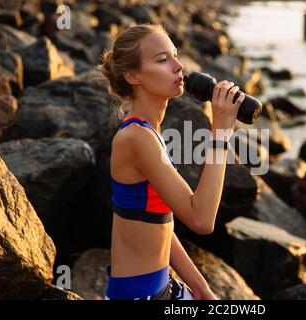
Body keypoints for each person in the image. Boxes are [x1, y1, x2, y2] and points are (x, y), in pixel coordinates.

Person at [98, 23, 245, 300]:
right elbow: (201, 220)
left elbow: (158, 222)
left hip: (164, 287)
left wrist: (201, 288)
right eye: (162, 59)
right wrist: (221, 131)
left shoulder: (150, 131)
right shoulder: (135, 138)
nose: (178, 66)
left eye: (175, 55)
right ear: (133, 76)